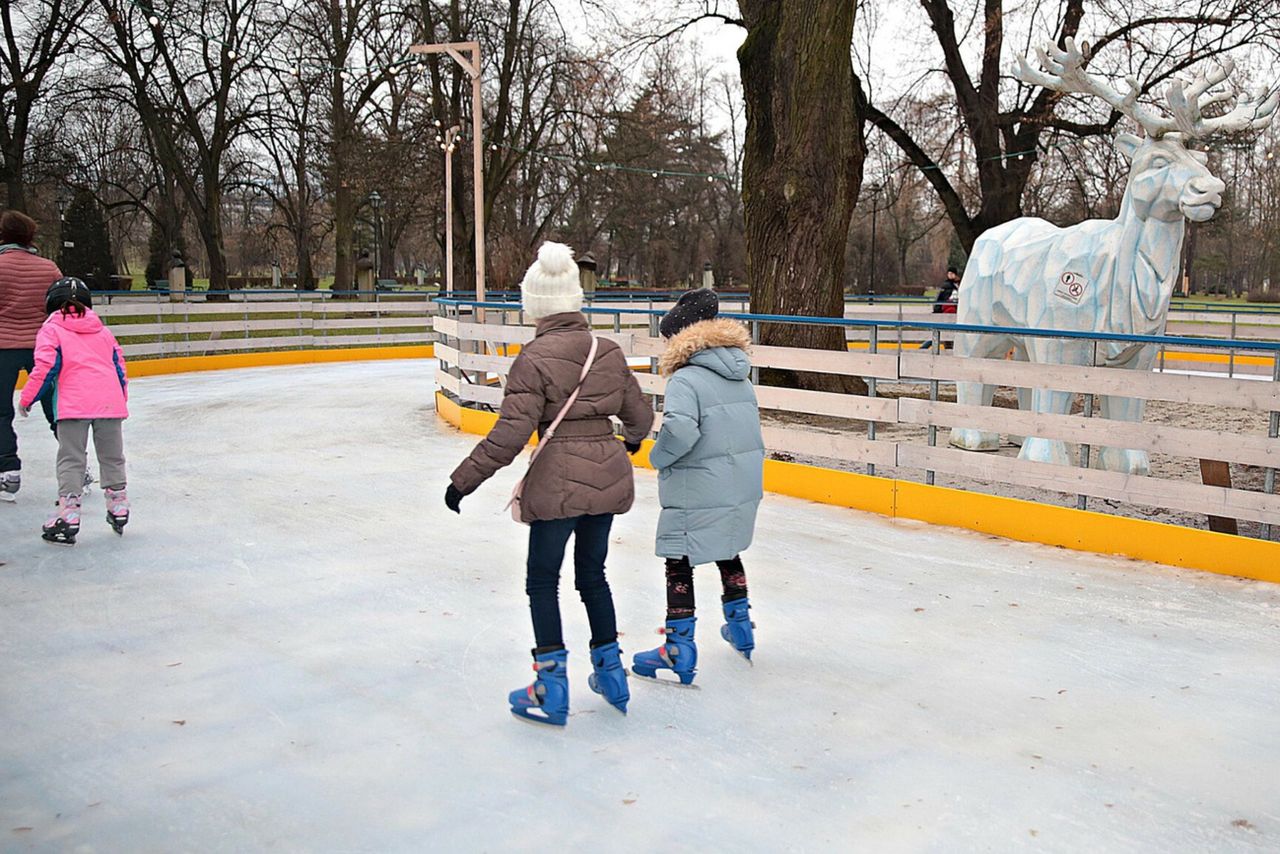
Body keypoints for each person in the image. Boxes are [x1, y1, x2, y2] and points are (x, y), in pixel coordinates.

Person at [444, 241, 653, 726]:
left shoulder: (533, 359)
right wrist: (631, 442)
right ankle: (611, 674)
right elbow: (639, 417)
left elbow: (510, 433)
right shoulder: (608, 350)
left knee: (543, 580)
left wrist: (463, 481)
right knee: (593, 576)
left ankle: (551, 685)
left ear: (534, 304)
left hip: (557, 483)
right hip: (606, 477)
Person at [630, 288, 765, 686]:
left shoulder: (686, 379)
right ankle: (741, 627)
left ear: (681, 339)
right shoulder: (739, 373)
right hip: (738, 484)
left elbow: (680, 431)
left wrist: (657, 457)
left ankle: (678, 646)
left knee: (679, 558)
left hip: (698, 487)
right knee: (727, 548)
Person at [18, 278, 130, 545]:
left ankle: (69, 515)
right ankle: (118, 506)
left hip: (73, 405)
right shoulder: (102, 331)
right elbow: (119, 367)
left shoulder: (51, 329)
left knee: (71, 458)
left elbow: (45, 367)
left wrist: (27, 398)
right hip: (109, 403)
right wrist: (120, 398)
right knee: (112, 457)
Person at [0, 210, 61, 501]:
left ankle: (8, 470)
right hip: (42, 348)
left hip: (2, 348)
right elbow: (59, 309)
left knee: (1, 411)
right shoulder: (49, 268)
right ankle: (77, 464)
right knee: (57, 408)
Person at [920, 266, 962, 349]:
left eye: (952, 273)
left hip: (948, 313)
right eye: (949, 273)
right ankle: (948, 348)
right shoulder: (948, 286)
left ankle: (947, 348)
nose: (950, 275)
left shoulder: (952, 285)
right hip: (948, 313)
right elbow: (943, 300)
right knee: (944, 334)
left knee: (943, 334)